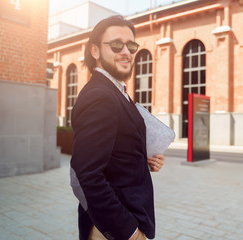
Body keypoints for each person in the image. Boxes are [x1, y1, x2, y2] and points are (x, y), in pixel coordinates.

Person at [70, 15, 165, 240]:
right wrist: (129, 232)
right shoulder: (100, 96)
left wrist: (144, 159)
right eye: (116, 45)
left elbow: (114, 153)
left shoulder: (115, 91)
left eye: (131, 45)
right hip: (113, 228)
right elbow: (87, 174)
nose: (126, 52)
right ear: (95, 51)